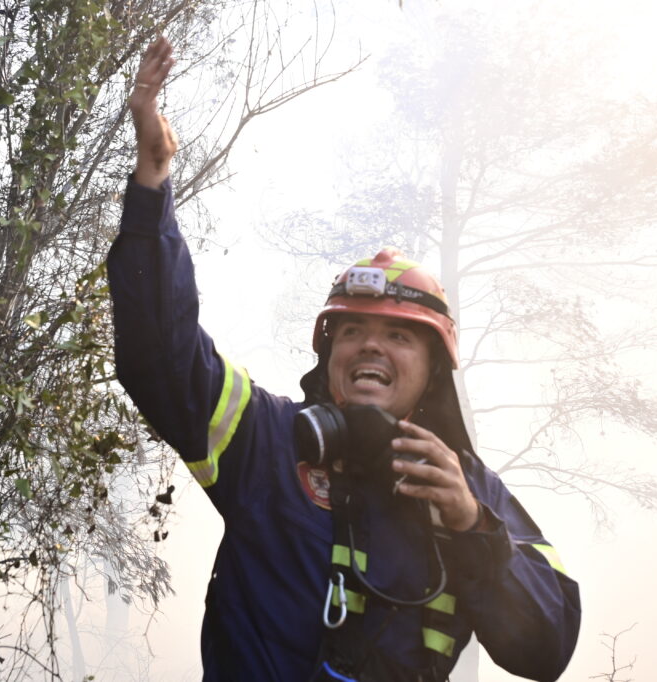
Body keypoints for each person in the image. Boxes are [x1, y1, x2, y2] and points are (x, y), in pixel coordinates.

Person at [108, 37, 580, 682]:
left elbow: (545, 649)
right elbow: (157, 355)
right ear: (328, 354)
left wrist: (473, 527)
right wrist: (152, 182)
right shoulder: (265, 442)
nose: (370, 346)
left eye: (399, 336)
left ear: (434, 369)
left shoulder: (470, 492)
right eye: (352, 330)